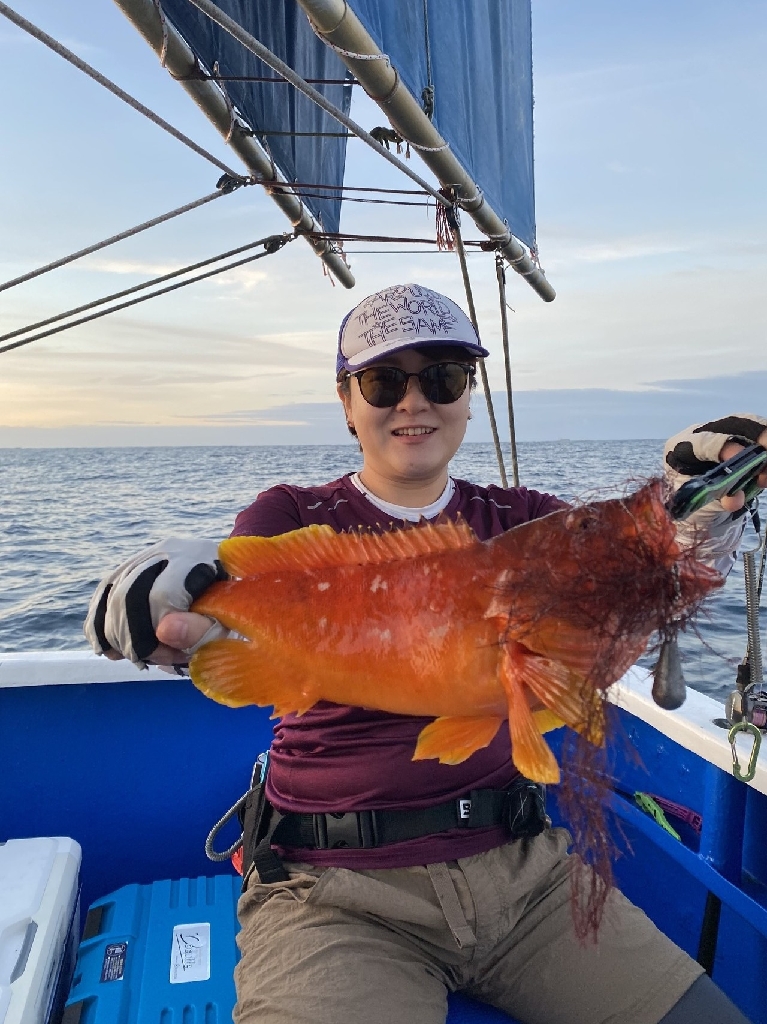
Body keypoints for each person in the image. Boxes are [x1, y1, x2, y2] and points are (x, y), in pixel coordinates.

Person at [85, 283, 762, 1024]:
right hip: (334, 894)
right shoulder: (292, 514)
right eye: (382, 381)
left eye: (441, 378)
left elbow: (644, 577)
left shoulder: (524, 518)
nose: (413, 402)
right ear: (346, 401)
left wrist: (698, 505)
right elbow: (222, 600)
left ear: (468, 397)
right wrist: (157, 597)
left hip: (525, 878)